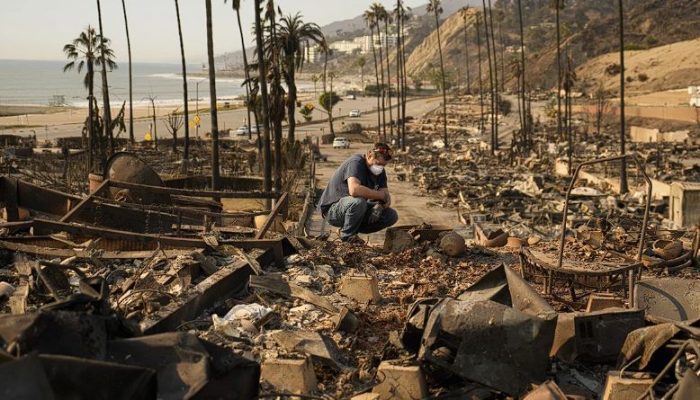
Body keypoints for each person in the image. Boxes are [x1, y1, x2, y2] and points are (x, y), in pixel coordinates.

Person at [318, 143, 399, 243]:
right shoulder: (356, 163)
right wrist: (380, 196)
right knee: (358, 202)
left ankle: (351, 230)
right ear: (369, 155)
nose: (380, 168)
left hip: (355, 210)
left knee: (391, 215)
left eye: (383, 165)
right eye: (378, 164)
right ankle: (347, 238)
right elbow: (354, 190)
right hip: (333, 210)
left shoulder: (380, 173)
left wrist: (380, 206)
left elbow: (387, 198)